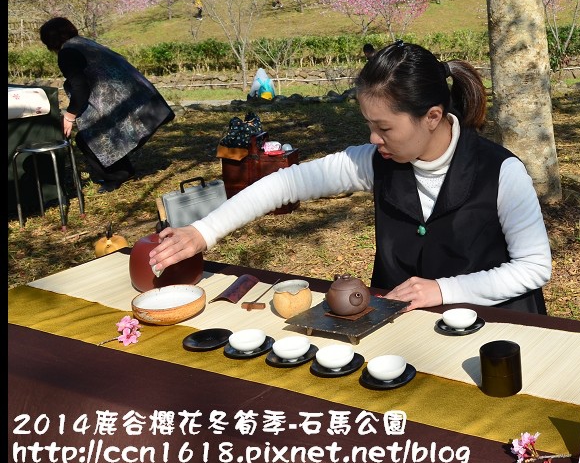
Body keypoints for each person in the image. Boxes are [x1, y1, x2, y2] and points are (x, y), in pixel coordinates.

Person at [149, 41, 552, 314]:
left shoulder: (500, 172)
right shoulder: (375, 161)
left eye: (385, 128)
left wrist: (445, 290)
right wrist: (203, 231)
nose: (374, 139)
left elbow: (534, 267)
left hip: (495, 330)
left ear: (432, 117)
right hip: (404, 326)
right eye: (369, 125)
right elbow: (286, 183)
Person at [39, 17, 175, 192]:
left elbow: (81, 88)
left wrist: (70, 116)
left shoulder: (67, 53)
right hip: (148, 104)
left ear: (50, 42)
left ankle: (116, 175)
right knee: (98, 132)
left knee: (87, 138)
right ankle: (123, 171)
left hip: (129, 107)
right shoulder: (85, 43)